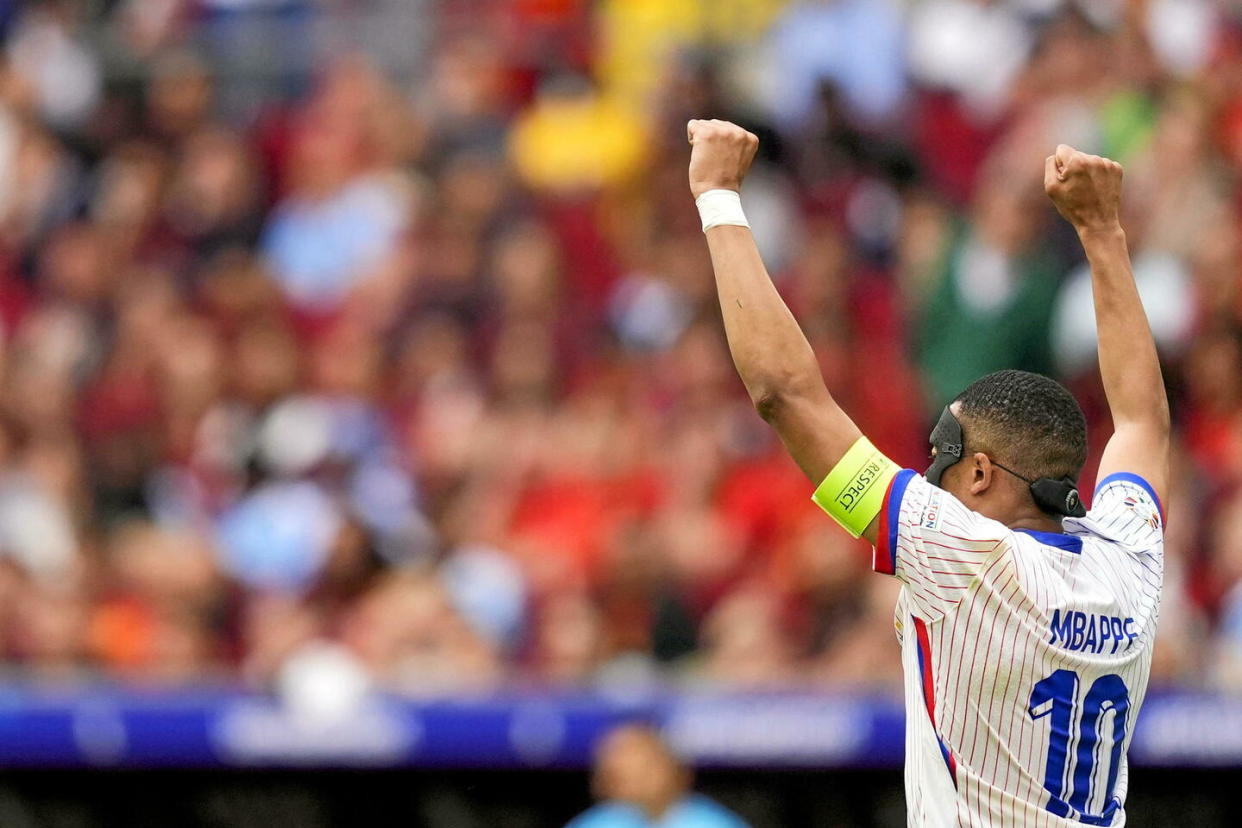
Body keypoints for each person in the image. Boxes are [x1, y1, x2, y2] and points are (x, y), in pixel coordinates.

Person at [687, 121, 1167, 826]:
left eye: (942, 455)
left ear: (979, 473)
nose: (927, 471)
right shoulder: (1130, 558)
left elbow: (782, 395)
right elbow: (1143, 422)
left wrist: (718, 195)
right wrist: (1102, 232)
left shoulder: (961, 555)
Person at [565, 724, 749, 828]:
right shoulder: (596, 824)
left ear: (678, 771)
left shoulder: (712, 823)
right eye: (621, 774)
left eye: (646, 771)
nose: (636, 783)